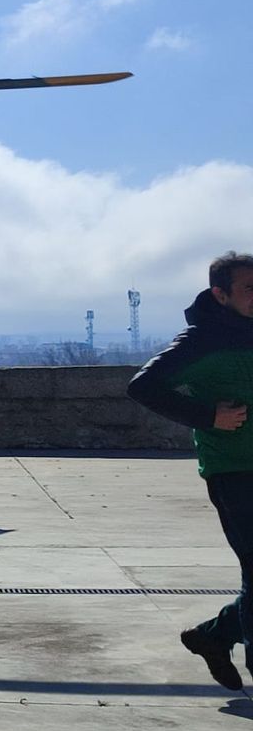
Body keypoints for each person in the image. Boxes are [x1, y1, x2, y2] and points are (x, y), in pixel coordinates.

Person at [127, 250, 253, 691]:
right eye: (249, 289)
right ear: (220, 294)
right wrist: (208, 415)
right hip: (234, 470)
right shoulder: (201, 341)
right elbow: (143, 387)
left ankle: (213, 637)